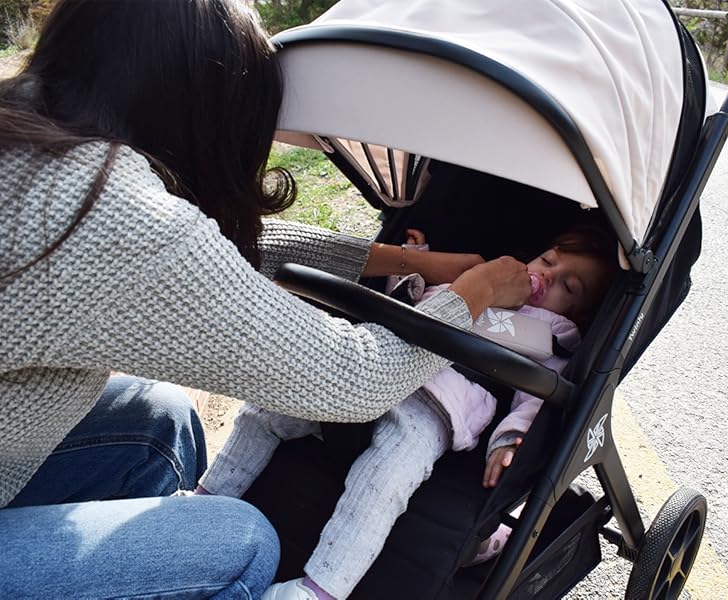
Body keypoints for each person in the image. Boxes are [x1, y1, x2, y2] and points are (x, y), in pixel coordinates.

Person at [0, 1, 534, 598]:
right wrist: (475, 293)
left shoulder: (30, 129)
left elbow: (243, 247)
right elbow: (352, 380)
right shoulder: (110, 219)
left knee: (159, 422)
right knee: (239, 542)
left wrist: (416, 263)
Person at [196, 226, 619, 600]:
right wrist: (412, 261)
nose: (547, 275)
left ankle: (320, 587)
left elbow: (538, 398)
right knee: (266, 409)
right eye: (547, 261)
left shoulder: (552, 336)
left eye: (568, 286)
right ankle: (209, 499)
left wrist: (510, 440)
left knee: (383, 480)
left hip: (436, 405)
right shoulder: (482, 278)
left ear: (577, 314)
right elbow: (416, 302)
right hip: (372, 372)